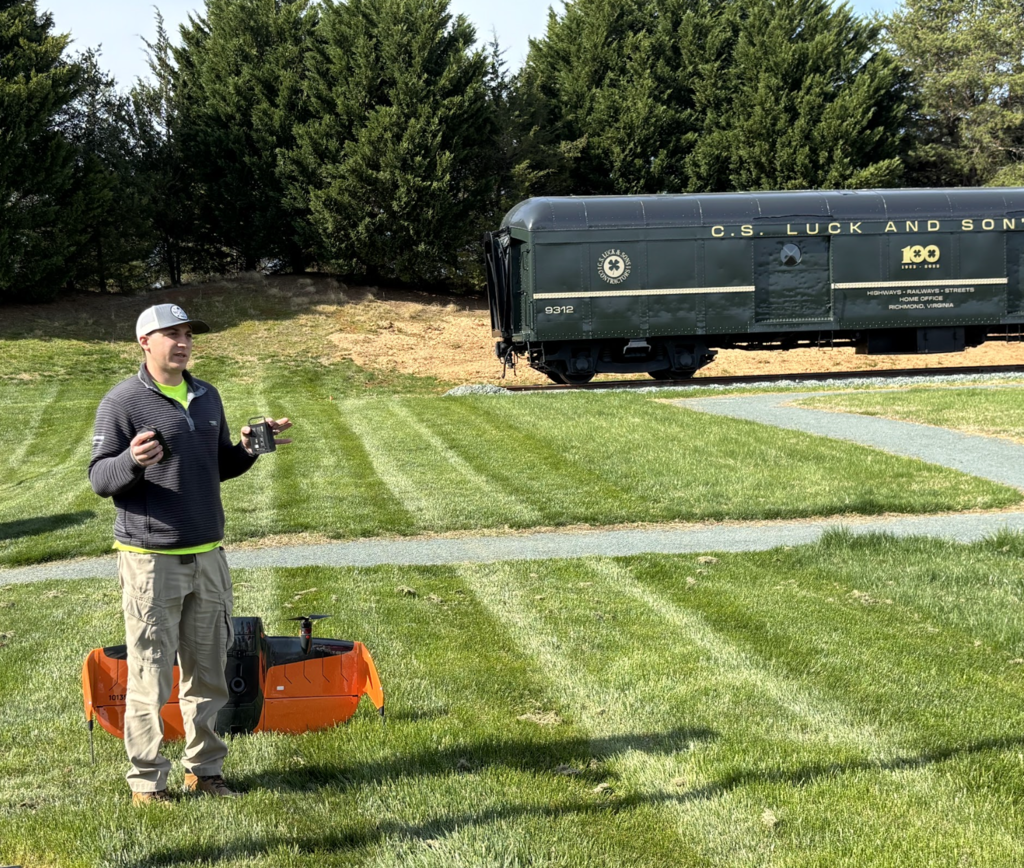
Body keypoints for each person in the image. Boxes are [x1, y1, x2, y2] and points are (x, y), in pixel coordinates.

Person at [88, 303, 292, 806]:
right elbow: (99, 478)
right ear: (145, 342)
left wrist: (246, 449)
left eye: (187, 334)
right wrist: (131, 461)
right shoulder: (122, 402)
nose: (182, 342)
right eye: (170, 334)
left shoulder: (206, 397)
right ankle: (147, 782)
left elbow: (214, 467)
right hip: (150, 560)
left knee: (209, 672)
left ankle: (205, 771)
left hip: (208, 555)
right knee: (150, 674)